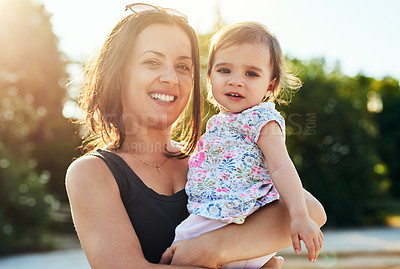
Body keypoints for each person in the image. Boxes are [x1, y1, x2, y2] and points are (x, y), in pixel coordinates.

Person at [65, 3, 326, 269]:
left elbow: (314, 212)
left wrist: (212, 249)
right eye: (152, 62)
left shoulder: (214, 161)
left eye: (183, 66)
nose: (170, 78)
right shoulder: (93, 173)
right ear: (118, 73)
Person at [169, 22, 324, 268]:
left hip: (242, 219)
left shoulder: (261, 119)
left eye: (251, 73)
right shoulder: (219, 124)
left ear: (270, 86)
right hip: (214, 216)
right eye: (224, 70)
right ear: (209, 78)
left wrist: (299, 216)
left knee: (179, 253)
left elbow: (282, 166)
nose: (236, 81)